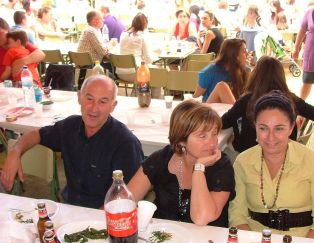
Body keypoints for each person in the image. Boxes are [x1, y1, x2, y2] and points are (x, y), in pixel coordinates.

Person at [0, 75, 144, 209]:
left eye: (103, 101)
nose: (94, 108)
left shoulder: (125, 143)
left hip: (104, 216)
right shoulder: (69, 127)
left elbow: (125, 200)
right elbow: (36, 134)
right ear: (79, 97)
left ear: (113, 105)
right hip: (69, 208)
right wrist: (15, 152)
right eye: (89, 99)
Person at [229, 91, 314, 238]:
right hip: (255, 240)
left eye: (279, 128)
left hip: (302, 242)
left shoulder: (312, 161)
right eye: (263, 128)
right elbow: (236, 214)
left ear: (291, 127)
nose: (271, 137)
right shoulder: (243, 162)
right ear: (255, 127)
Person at [127, 100, 235, 227]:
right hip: (162, 239)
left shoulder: (222, 166)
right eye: (202, 136)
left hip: (206, 242)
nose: (212, 143)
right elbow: (125, 202)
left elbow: (201, 218)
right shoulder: (161, 159)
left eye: (214, 133)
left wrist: (199, 169)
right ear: (181, 141)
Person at [221, 56, 314, 153]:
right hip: (283, 154)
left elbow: (223, 122)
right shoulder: (291, 99)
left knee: (225, 148)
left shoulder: (247, 99)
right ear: (281, 76)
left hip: (249, 154)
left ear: (255, 75)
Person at [193, 38, 248, 104]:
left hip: (231, 109)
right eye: (244, 51)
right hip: (213, 109)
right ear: (234, 55)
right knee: (221, 86)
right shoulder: (210, 72)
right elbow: (196, 97)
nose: (247, 54)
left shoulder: (244, 70)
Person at [117, 13, 158, 82]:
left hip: (120, 73)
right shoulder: (141, 37)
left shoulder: (123, 34)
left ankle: (136, 92)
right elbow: (148, 59)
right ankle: (151, 93)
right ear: (145, 24)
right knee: (157, 76)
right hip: (135, 74)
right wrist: (156, 57)